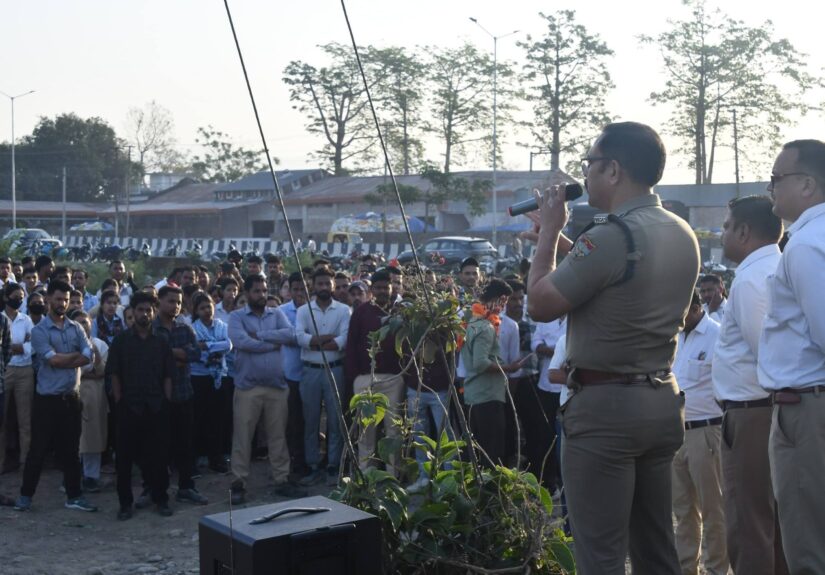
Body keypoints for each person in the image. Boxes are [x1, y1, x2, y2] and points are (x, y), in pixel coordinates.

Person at [526, 122, 700, 574]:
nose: (584, 176)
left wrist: (548, 236)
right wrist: (567, 245)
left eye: (589, 165)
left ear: (614, 171)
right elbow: (619, 278)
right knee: (655, 546)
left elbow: (541, 304)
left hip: (606, 412)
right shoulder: (680, 230)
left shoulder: (611, 234)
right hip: (659, 400)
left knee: (600, 554)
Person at [758, 139, 825, 573]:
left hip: (807, 408)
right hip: (810, 404)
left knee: (808, 547)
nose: (771, 187)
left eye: (776, 178)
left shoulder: (805, 246)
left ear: (808, 185)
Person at [710, 194, 786, 575]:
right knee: (772, 524)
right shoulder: (773, 268)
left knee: (750, 525)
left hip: (754, 412)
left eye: (726, 226)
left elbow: (768, 356)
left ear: (743, 231)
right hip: (765, 410)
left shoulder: (753, 279)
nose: (722, 234)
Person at [15, 280, 97, 513]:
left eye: (66, 300)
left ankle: (74, 496)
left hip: (71, 398)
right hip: (47, 401)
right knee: (38, 450)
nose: (62, 304)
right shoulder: (39, 331)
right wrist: (73, 358)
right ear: (49, 299)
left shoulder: (76, 327)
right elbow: (52, 360)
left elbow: (88, 355)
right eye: (58, 299)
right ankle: (25, 496)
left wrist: (65, 358)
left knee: (71, 451)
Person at [228, 275, 306, 504]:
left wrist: (261, 336)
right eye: (256, 291)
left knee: (278, 436)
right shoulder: (236, 317)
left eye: (264, 291)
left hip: (276, 387)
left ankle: (281, 479)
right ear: (247, 293)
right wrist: (274, 343)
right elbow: (242, 342)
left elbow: (291, 334)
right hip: (248, 387)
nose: (261, 295)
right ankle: (238, 482)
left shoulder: (275, 312)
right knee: (243, 436)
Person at [671, 291, 727, 575]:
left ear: (696, 308)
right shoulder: (674, 337)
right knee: (683, 512)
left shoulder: (717, 335)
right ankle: (687, 570)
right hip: (676, 435)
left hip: (706, 432)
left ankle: (717, 569)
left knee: (713, 510)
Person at [107, 291, 175, 520]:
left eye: (148, 310)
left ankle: (161, 499)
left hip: (156, 406)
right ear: (132, 312)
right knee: (124, 459)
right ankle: (125, 503)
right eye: (140, 310)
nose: (144, 314)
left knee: (159, 456)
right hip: (129, 406)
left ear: (154, 312)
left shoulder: (162, 341)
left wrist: (166, 402)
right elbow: (114, 373)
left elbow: (168, 375)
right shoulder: (121, 341)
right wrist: (119, 402)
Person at [153, 285, 207, 506]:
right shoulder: (152, 330)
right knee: (158, 447)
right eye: (170, 301)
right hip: (158, 397)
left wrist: (169, 354)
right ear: (159, 302)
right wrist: (178, 355)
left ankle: (186, 487)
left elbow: (195, 353)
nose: (175, 306)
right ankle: (157, 491)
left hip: (183, 393)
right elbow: (152, 359)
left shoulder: (184, 328)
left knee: (185, 445)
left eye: (178, 302)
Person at [296, 269, 351, 487]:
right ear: (313, 285)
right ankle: (312, 466)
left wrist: (316, 341)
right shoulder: (303, 310)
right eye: (320, 284)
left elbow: (344, 339)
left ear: (333, 286)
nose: (324, 288)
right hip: (310, 370)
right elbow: (300, 337)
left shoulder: (344, 310)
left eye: (327, 284)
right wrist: (327, 339)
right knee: (310, 420)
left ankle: (332, 466)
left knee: (335, 421)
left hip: (335, 370)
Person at [345, 270, 403, 473]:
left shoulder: (399, 312)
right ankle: (366, 476)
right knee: (366, 431)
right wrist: (354, 378)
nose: (382, 291)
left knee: (393, 431)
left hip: (393, 378)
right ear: (371, 290)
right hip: (365, 379)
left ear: (391, 288)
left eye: (385, 288)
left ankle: (392, 477)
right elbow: (351, 345)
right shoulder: (362, 312)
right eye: (377, 288)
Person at [461, 279, 512, 468]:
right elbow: (481, 363)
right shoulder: (486, 327)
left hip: (474, 395)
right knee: (492, 453)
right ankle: (491, 494)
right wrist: (509, 368)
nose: (504, 306)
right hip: (487, 395)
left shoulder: (472, 322)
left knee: (475, 452)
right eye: (503, 301)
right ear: (497, 299)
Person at [190, 293, 232, 474]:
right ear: (196, 311)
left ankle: (217, 457)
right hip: (199, 376)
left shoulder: (223, 325)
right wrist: (216, 345)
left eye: (209, 306)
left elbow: (229, 345)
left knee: (218, 418)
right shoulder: (192, 329)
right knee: (199, 417)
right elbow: (195, 351)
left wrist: (207, 345)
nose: (207, 311)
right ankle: (199, 456)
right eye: (202, 308)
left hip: (219, 376)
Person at [70, 310, 110, 494]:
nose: (82, 326)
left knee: (93, 437)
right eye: (78, 323)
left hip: (94, 395)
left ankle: (91, 477)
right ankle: (71, 477)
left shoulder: (100, 345)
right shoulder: (66, 344)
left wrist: (92, 355)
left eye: (85, 322)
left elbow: (102, 372)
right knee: (72, 438)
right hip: (71, 394)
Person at [0, 283, 34, 475]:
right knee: (2, 421)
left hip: (24, 370)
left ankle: (25, 463)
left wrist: (18, 347)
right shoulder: (0, 319)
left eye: (22, 296)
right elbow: (7, 349)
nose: (19, 299)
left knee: (25, 420)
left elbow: (32, 346)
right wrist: (18, 346)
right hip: (5, 370)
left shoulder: (26, 319)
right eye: (16, 296)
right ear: (6, 297)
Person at [279, 272, 309, 477]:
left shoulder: (315, 311)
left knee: (311, 421)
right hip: (290, 374)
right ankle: (294, 462)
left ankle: (308, 459)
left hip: (312, 372)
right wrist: (310, 338)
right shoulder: (280, 312)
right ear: (289, 290)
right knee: (293, 422)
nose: (299, 293)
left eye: (303, 289)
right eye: (295, 289)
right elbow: (291, 337)